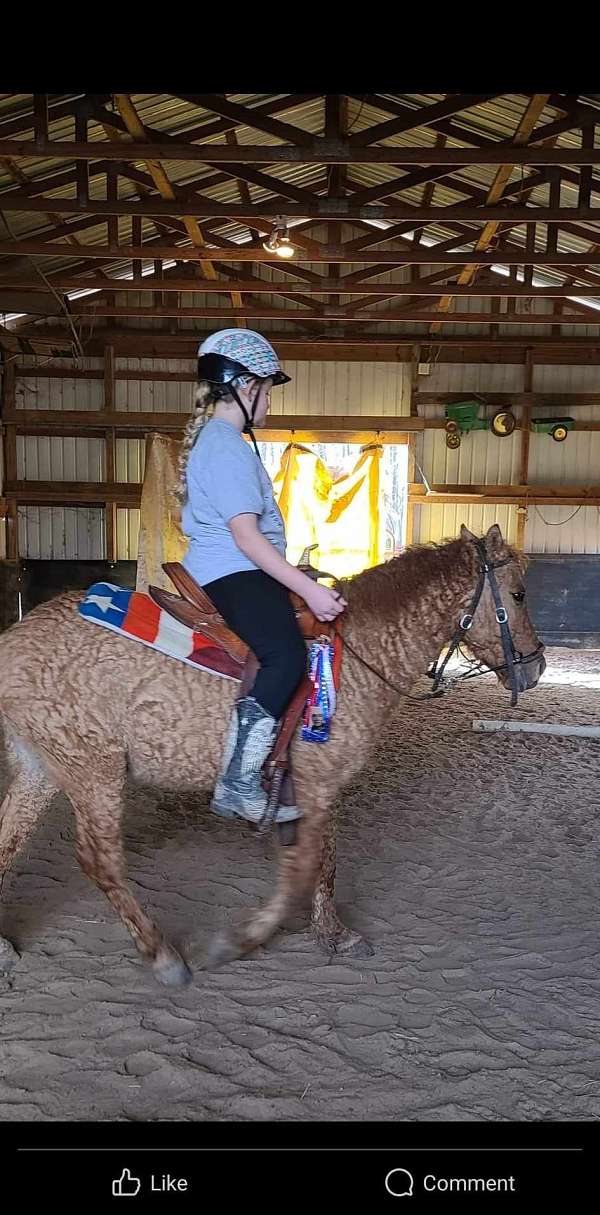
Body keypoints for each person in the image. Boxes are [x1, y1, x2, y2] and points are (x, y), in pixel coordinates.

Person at [175, 329, 347, 825]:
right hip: (234, 571)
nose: (269, 401)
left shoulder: (221, 442)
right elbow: (247, 538)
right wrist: (308, 588)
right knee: (286, 654)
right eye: (268, 389)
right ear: (246, 387)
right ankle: (238, 782)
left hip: (238, 568)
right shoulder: (225, 446)